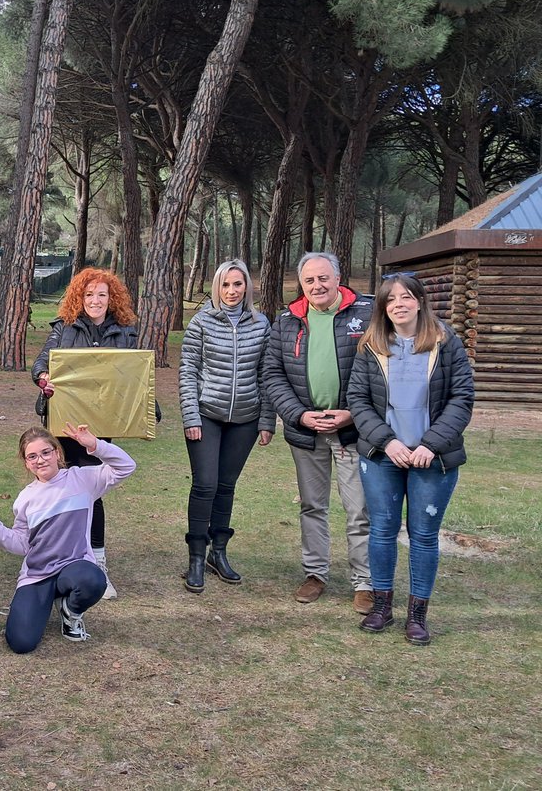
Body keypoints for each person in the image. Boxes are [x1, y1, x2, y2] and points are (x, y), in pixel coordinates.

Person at [347, 274, 474, 645]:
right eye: (390, 300)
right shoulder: (371, 346)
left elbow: (461, 398)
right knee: (382, 530)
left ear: (420, 301)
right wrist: (387, 443)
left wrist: (431, 445)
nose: (399, 304)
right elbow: (358, 401)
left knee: (423, 535)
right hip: (383, 455)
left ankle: (417, 614)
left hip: (433, 458)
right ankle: (382, 605)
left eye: (406, 297)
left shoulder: (446, 343)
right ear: (383, 308)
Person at [263, 251, 375, 613]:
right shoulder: (287, 321)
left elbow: (379, 374)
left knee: (359, 509)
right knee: (313, 506)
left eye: (323, 278)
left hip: (353, 433)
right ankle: (316, 574)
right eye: (309, 280)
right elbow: (273, 374)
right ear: (302, 283)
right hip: (306, 432)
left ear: (338, 278)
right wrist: (299, 415)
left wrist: (353, 414)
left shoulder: (367, 315)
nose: (317, 286)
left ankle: (365, 581)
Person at [0, 423, 135, 653]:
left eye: (45, 452)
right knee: (21, 643)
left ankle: (71, 610)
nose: (40, 460)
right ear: (26, 463)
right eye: (32, 456)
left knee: (93, 580)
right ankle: (45, 600)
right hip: (38, 575)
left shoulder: (83, 480)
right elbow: (21, 544)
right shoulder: (25, 499)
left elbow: (126, 467)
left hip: (75, 568)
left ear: (57, 453)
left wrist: (95, 445)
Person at [31, 267, 140, 599]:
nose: (95, 300)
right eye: (89, 294)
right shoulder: (63, 328)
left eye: (102, 295)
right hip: (63, 424)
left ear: (112, 299)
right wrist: (44, 379)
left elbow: (136, 374)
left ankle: (97, 563)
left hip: (99, 426)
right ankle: (57, 558)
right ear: (79, 297)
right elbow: (40, 364)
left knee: (91, 491)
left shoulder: (126, 331)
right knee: (61, 489)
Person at [178, 260, 275, 593]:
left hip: (246, 418)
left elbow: (267, 374)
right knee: (205, 483)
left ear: (247, 286)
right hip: (207, 413)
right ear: (217, 288)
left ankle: (217, 554)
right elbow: (188, 371)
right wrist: (191, 416)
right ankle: (195, 556)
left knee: (226, 485)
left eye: (238, 284)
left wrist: (267, 420)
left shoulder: (261, 324)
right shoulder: (201, 322)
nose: (232, 291)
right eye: (225, 285)